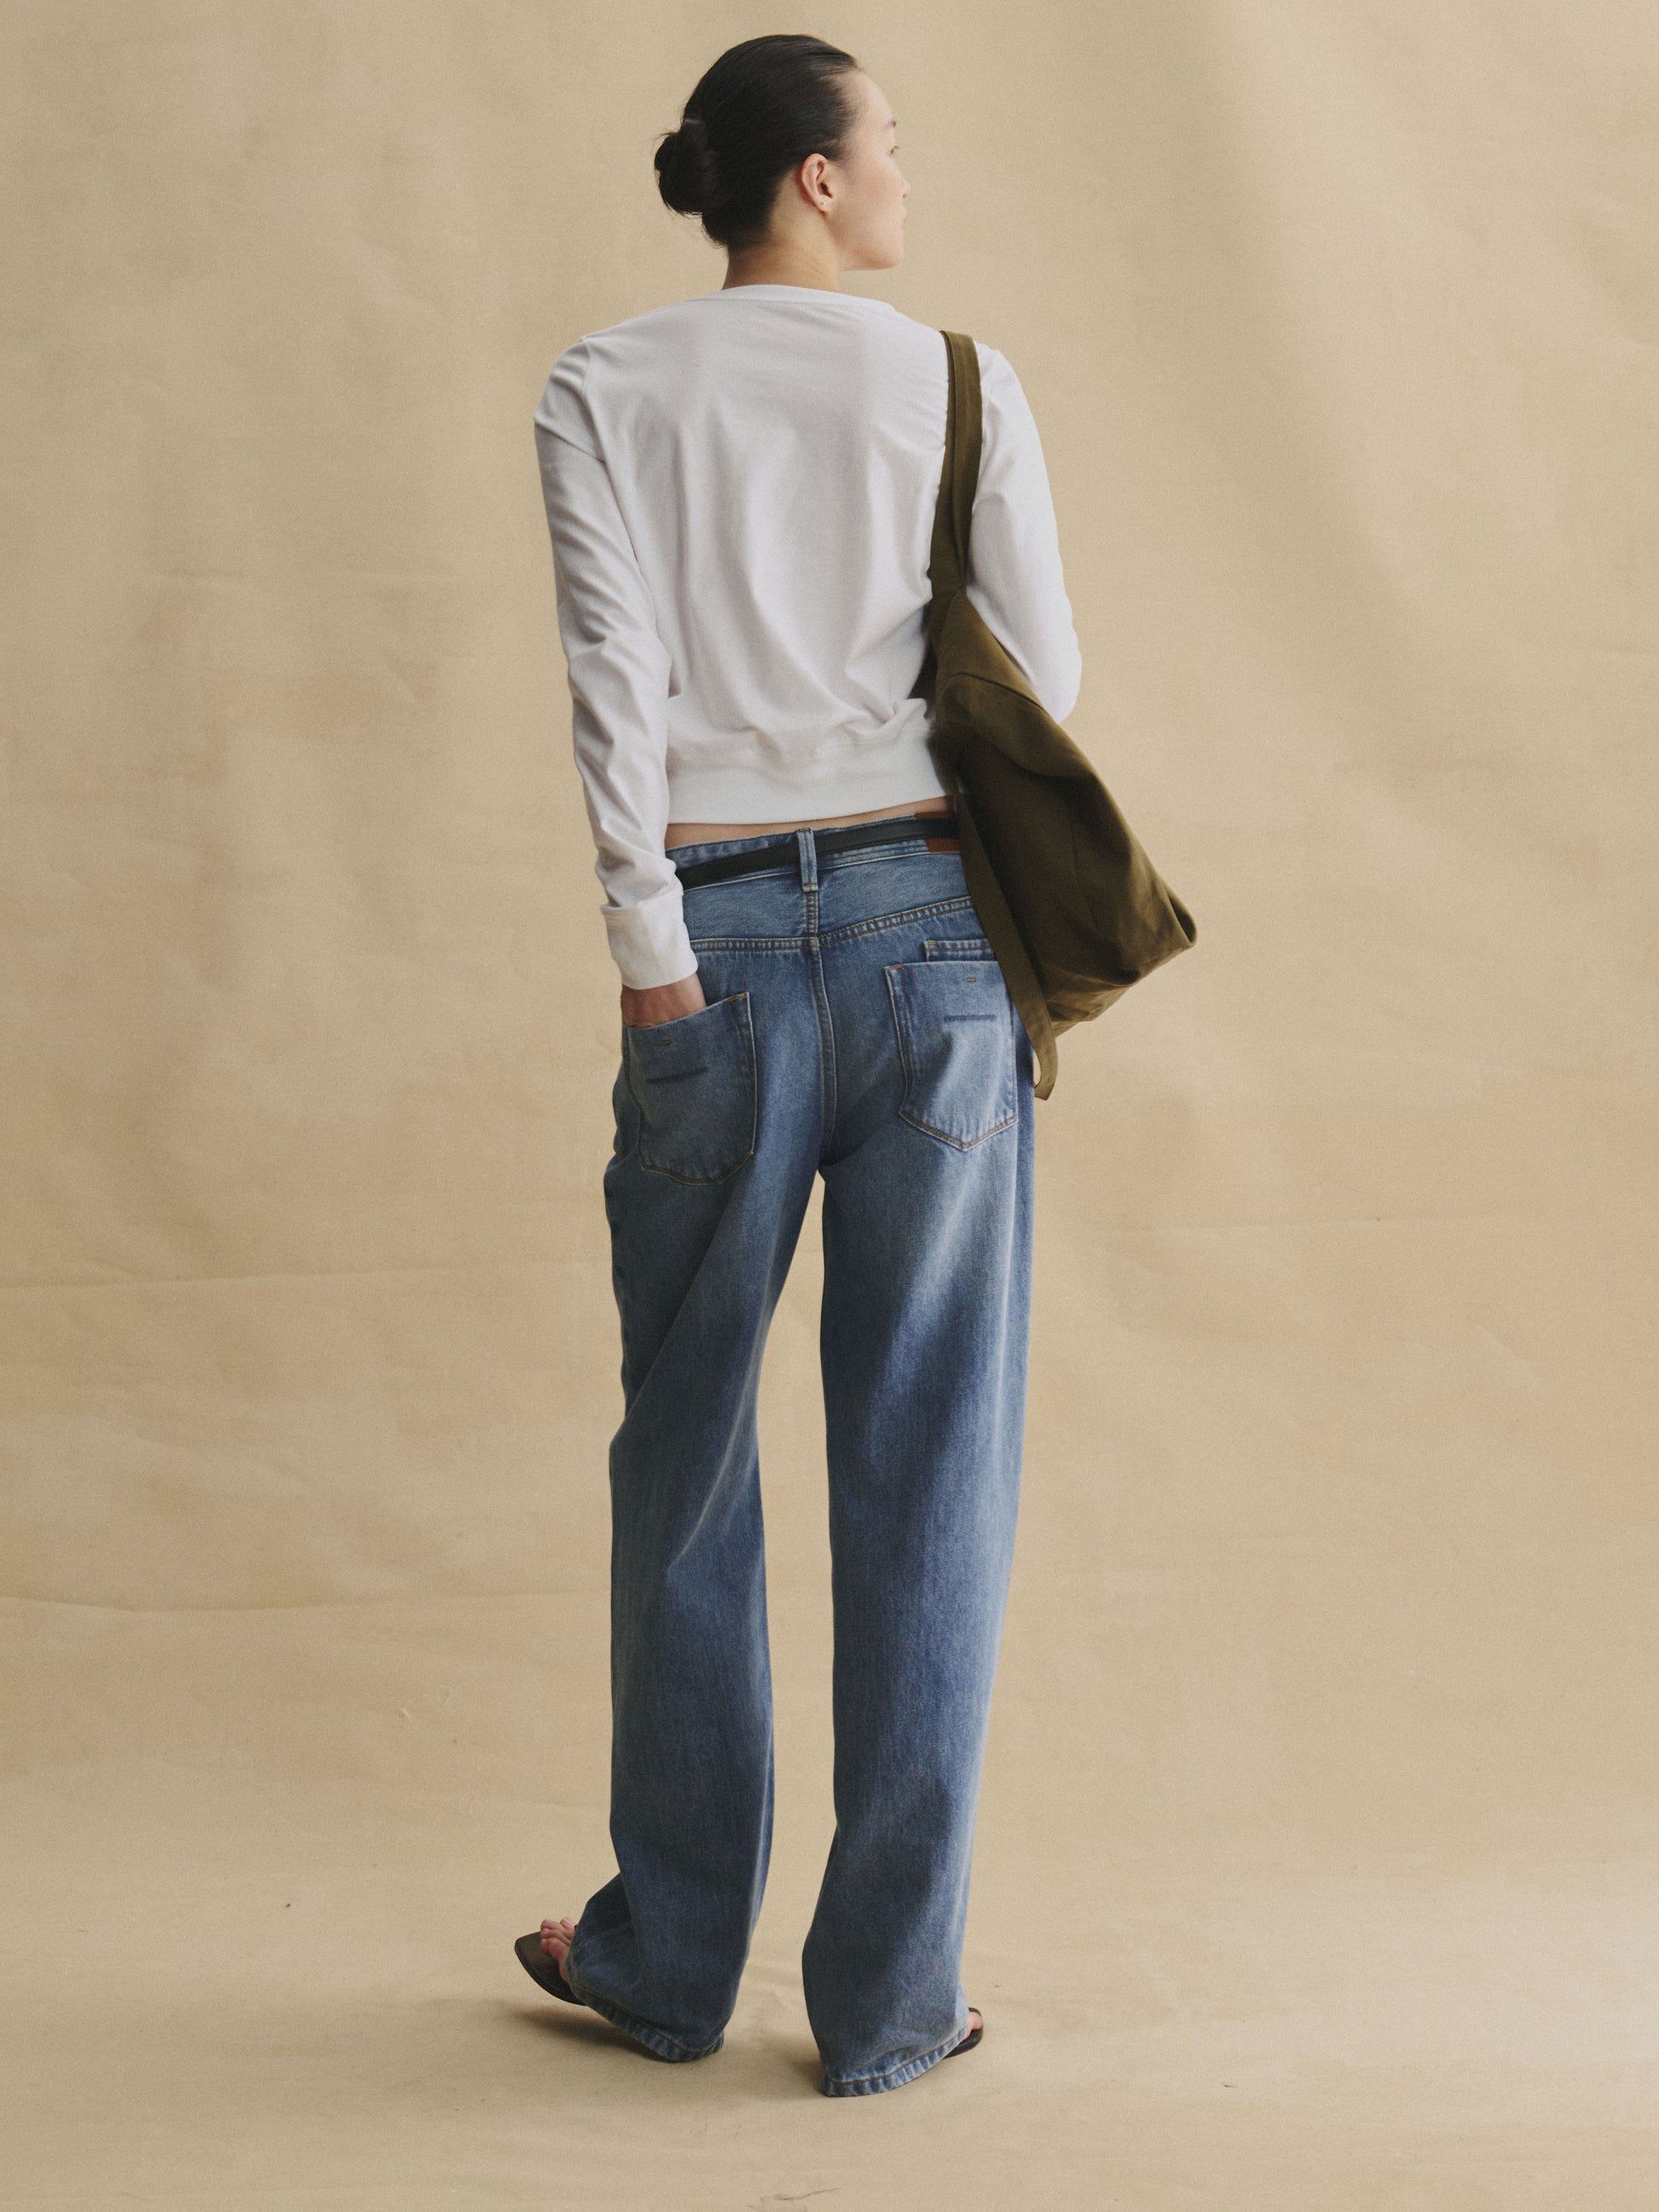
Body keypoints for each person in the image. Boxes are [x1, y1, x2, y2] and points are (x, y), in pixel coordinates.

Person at [519, 32, 1082, 2099]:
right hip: (938, 947)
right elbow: (1043, 677)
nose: (906, 174)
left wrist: (651, 963)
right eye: (889, 143)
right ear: (817, 182)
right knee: (930, 1464)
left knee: (682, 1455)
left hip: (719, 946)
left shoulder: (603, 383)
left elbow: (615, 680)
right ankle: (891, 2000)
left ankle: (667, 1961)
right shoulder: (957, 382)